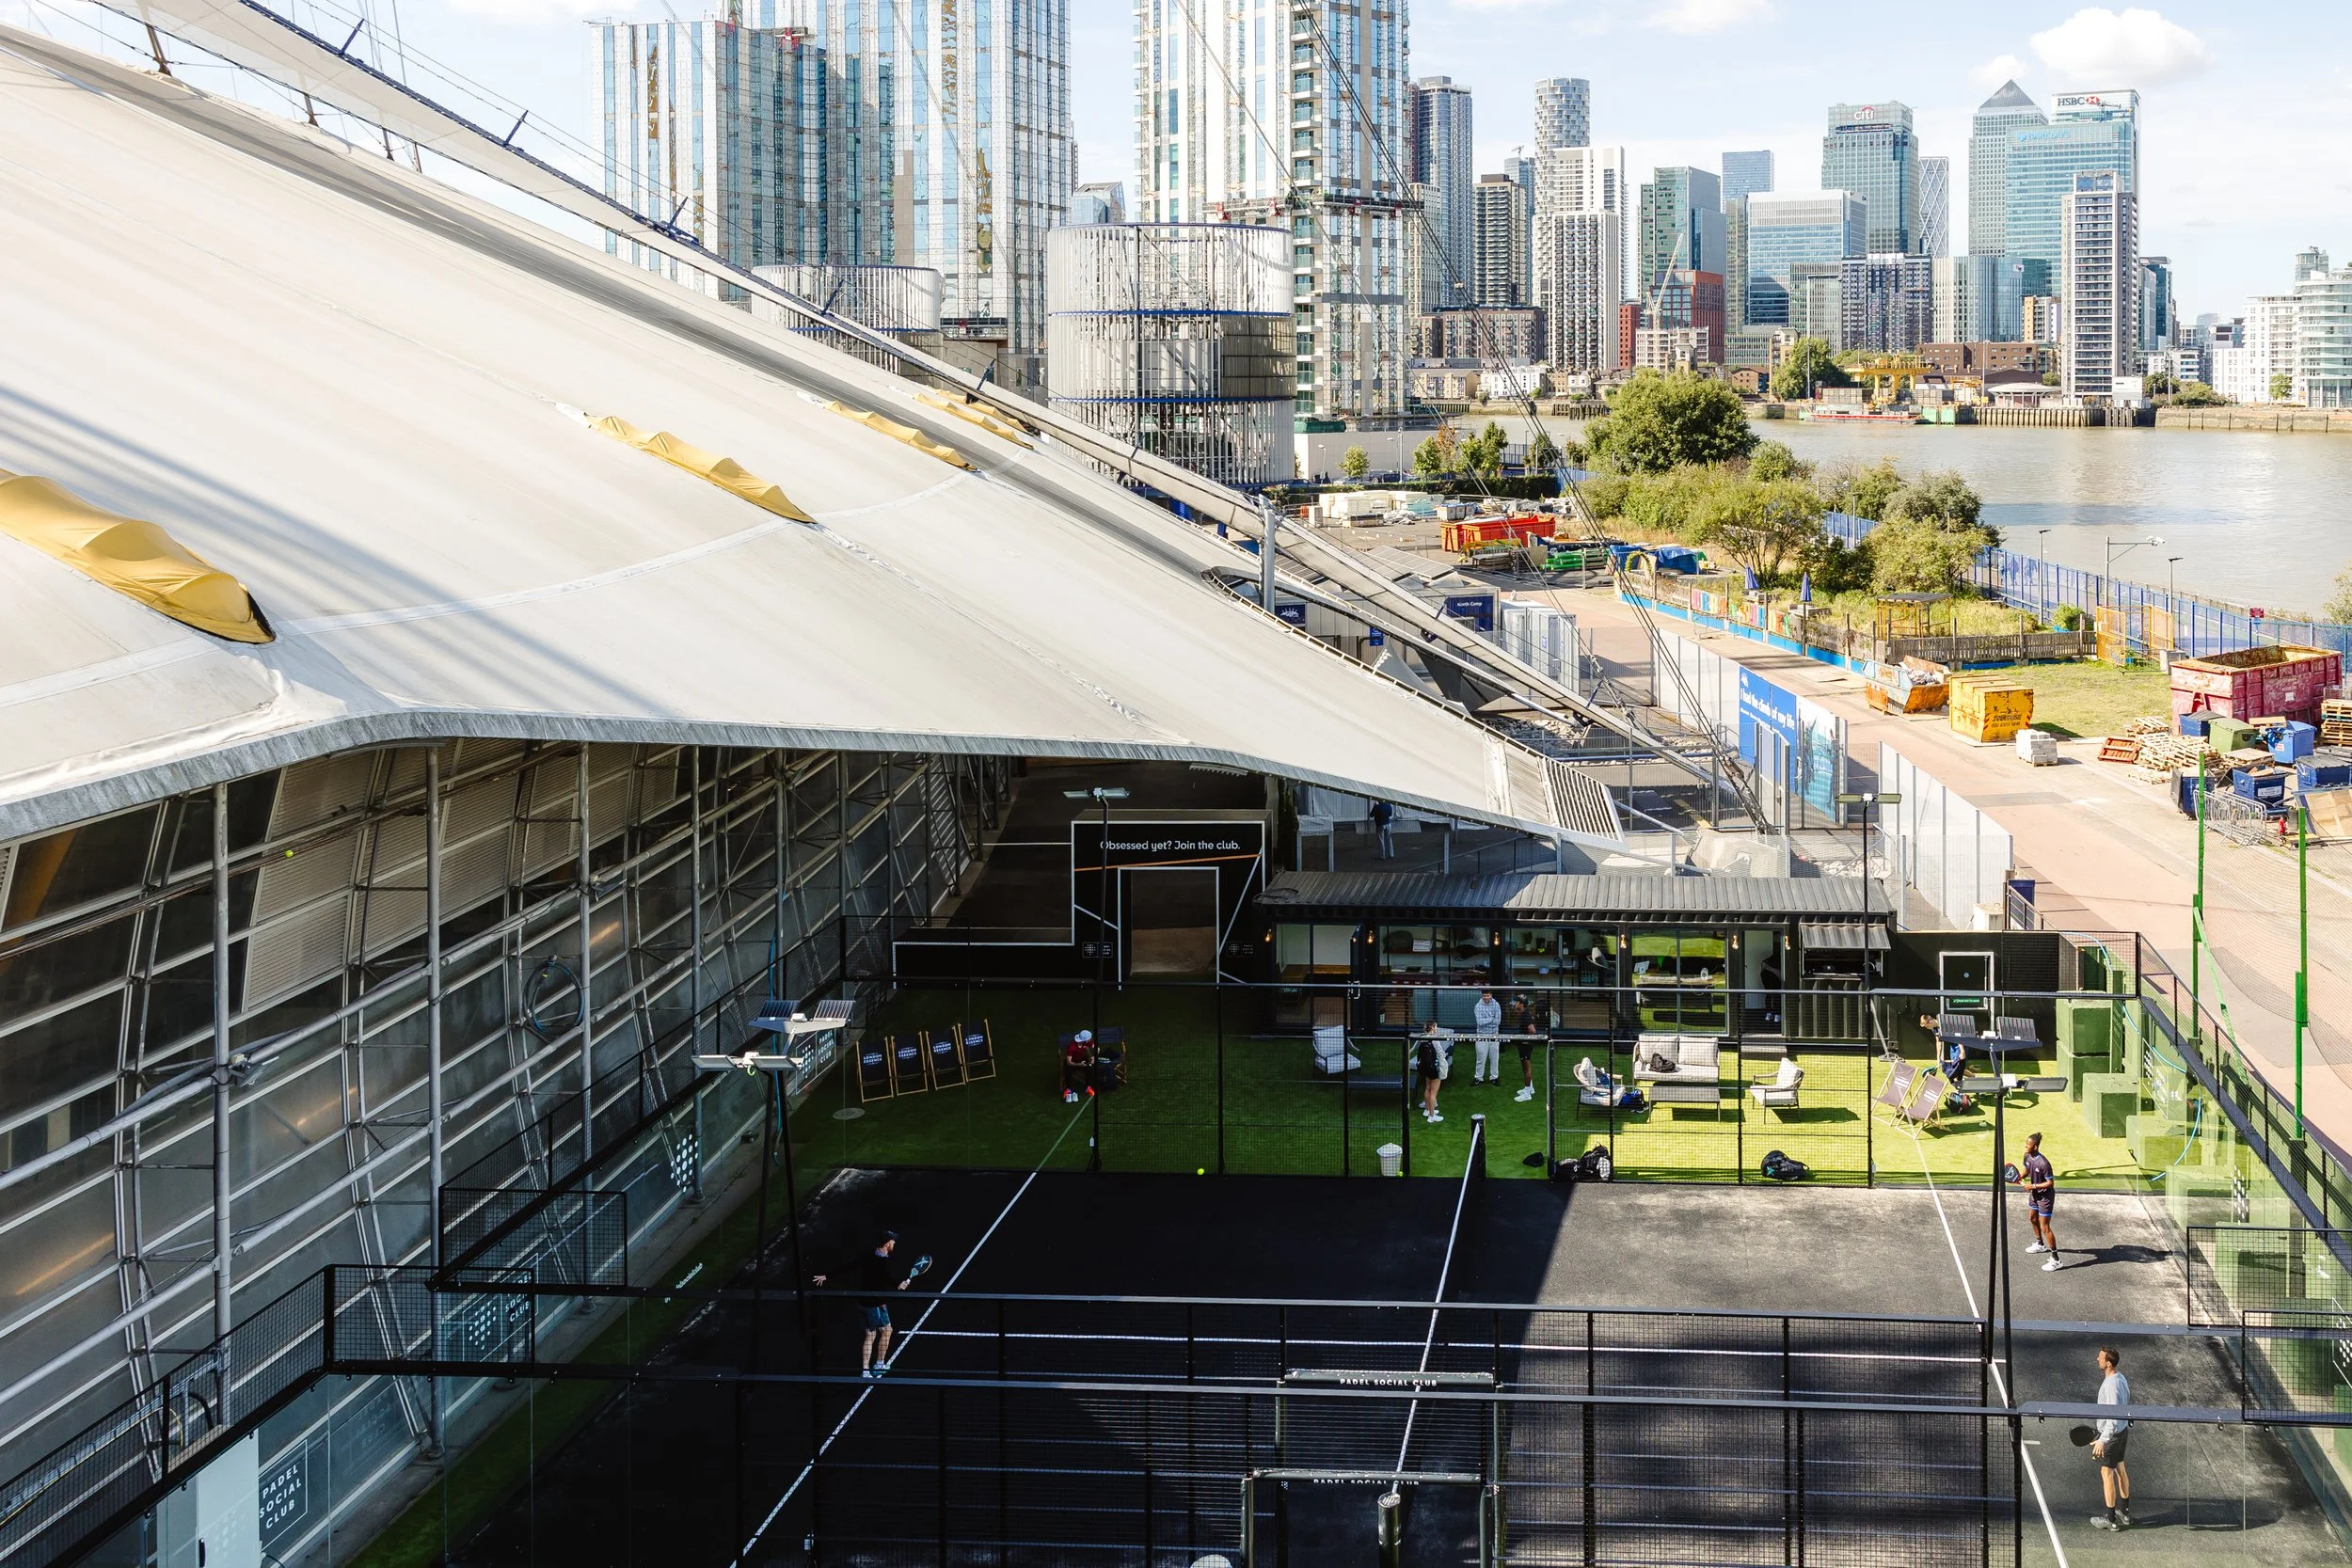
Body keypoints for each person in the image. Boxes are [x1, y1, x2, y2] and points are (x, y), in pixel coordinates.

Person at [811, 1230, 913, 1377]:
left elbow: (849, 1266)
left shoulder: (868, 1255)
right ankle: (879, 1364)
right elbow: (888, 1279)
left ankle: (865, 1370)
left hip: (862, 1302)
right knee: (887, 1331)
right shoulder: (882, 1263)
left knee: (869, 1335)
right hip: (875, 1305)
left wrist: (826, 1276)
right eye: (892, 1241)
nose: (894, 1243)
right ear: (886, 1244)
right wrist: (899, 1285)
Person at [2090, 1346, 2132, 1529]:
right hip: (2122, 1432)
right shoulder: (2120, 1378)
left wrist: (2102, 1440)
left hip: (2113, 1434)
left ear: (2108, 1363)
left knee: (2106, 1473)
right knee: (2120, 1468)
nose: (2097, 1359)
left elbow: (2112, 1417)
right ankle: (2125, 1512)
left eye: (2100, 1357)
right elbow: (2126, 1401)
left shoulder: (2110, 1385)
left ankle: (2111, 1519)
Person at [2019, 1132, 2061, 1270]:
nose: (2026, 1146)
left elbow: (2050, 1183)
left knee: (2045, 1227)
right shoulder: (2027, 1156)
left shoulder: (2044, 1163)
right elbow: (2026, 1171)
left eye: (2028, 1144)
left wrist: (2033, 1186)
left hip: (2045, 1197)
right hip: (2035, 1195)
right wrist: (2017, 1177)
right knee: (2032, 1217)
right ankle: (2040, 1244)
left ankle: (2056, 1260)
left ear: (2035, 1147)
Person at [1416, 1022, 1451, 1123]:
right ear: (1432, 1027)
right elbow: (1440, 1053)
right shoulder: (1435, 1040)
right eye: (1435, 1026)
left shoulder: (1423, 1038)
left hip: (1427, 1067)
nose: (1437, 1028)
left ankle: (1427, 1110)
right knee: (1433, 1093)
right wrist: (1447, 1053)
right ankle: (1432, 1116)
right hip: (1435, 1068)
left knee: (1428, 1088)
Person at [1471, 990, 1502, 1085]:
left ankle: (1494, 1077)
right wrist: (1491, 1018)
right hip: (1481, 1035)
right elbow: (1479, 1022)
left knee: (1494, 1058)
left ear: (1491, 995)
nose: (1485, 997)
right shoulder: (1478, 1006)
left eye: (1487, 995)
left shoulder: (1496, 1005)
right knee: (1481, 1058)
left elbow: (1497, 1022)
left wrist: (1487, 1020)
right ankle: (1478, 1078)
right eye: (1484, 996)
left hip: (1494, 1035)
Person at [1062, 1029, 1094, 1103]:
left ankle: (1088, 1087)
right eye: (1089, 1038)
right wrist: (1079, 1064)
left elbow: (1097, 1048)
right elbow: (1069, 1062)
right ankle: (1069, 1089)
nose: (1090, 1039)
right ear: (1084, 1040)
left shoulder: (1086, 1043)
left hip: (1081, 1061)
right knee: (1068, 1070)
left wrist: (1094, 1057)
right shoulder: (1072, 1046)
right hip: (1072, 1062)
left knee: (1089, 1068)